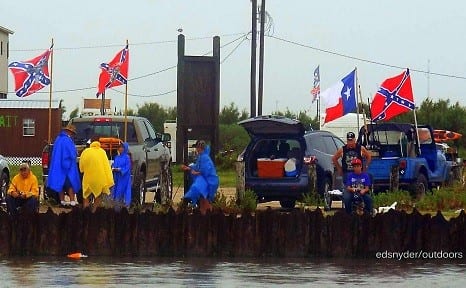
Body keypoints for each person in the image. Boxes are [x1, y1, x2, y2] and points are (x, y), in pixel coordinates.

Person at [47, 124, 81, 207]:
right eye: (72, 133)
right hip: (67, 167)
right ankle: (72, 201)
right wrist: (76, 153)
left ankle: (62, 201)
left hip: (58, 167)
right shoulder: (68, 141)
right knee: (70, 184)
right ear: (69, 132)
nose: (72, 135)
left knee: (60, 183)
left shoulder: (58, 139)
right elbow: (72, 154)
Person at [181, 140, 219, 215]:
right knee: (202, 199)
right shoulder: (201, 157)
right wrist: (188, 168)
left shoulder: (204, 157)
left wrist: (195, 172)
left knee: (204, 199)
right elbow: (197, 167)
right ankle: (203, 215)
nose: (196, 149)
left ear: (200, 148)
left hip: (209, 181)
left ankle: (208, 215)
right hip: (205, 181)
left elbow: (205, 170)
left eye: (197, 148)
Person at [79, 140, 114, 210]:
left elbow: (81, 168)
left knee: (86, 196)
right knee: (98, 196)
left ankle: (85, 212)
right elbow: (107, 166)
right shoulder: (102, 152)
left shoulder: (85, 152)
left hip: (88, 179)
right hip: (99, 180)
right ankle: (94, 212)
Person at [111, 141, 132, 208]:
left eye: (122, 147)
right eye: (119, 147)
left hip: (124, 178)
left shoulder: (127, 157)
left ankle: (125, 206)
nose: (120, 149)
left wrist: (121, 170)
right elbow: (114, 165)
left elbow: (127, 167)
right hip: (117, 177)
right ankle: (116, 207)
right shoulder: (116, 157)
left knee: (124, 191)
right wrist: (113, 168)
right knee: (116, 191)